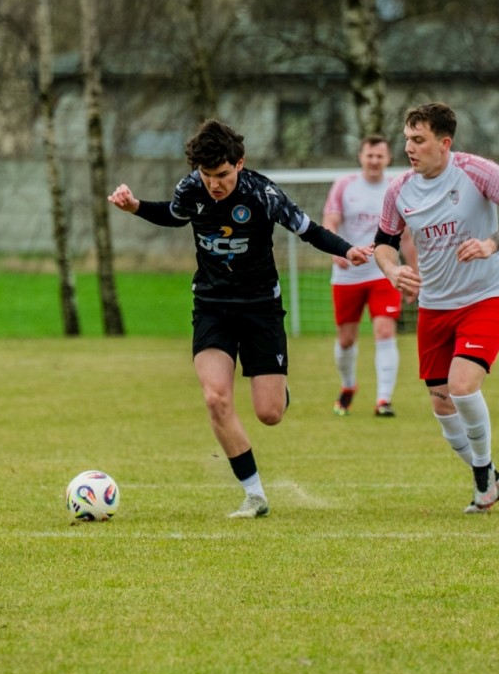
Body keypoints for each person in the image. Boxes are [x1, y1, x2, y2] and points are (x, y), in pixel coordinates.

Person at [109, 119, 372, 518]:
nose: (214, 184)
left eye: (222, 175)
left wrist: (347, 249)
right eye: (207, 175)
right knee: (216, 398)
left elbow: (308, 230)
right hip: (212, 306)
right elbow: (175, 215)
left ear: (240, 163)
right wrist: (136, 206)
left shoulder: (263, 193)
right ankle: (254, 495)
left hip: (260, 307)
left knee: (269, 414)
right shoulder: (191, 188)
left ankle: (278, 389)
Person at [373, 103, 499, 513]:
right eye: (407, 139)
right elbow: (383, 243)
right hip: (434, 306)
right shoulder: (398, 190)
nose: (409, 148)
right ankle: (492, 476)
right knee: (442, 403)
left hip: (486, 298)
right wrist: (392, 271)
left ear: (444, 143)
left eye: (419, 140)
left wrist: (490, 244)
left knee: (462, 387)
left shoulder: (475, 171)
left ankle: (483, 483)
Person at [322, 135, 415, 417]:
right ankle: (348, 385)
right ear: (361, 157)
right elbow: (330, 220)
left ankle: (383, 400)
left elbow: (406, 236)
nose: (374, 161)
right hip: (347, 275)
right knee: (346, 339)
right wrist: (337, 249)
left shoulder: (396, 187)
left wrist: (414, 273)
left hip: (383, 272)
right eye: (369, 155)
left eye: (379, 156)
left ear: (388, 159)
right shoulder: (344, 185)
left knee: (385, 331)